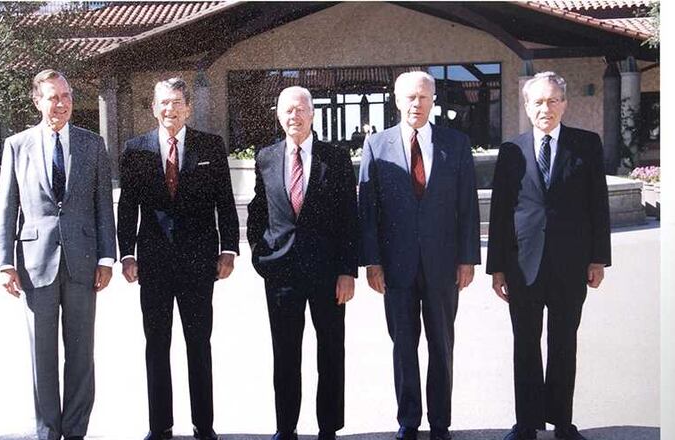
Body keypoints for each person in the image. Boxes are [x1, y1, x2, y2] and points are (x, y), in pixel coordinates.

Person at [486, 71, 611, 440]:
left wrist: (597, 259)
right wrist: (497, 269)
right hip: (522, 267)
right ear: (526, 106)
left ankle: (562, 423)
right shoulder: (512, 151)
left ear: (565, 104)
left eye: (553, 100)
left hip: (571, 266)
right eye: (538, 102)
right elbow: (499, 212)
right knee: (525, 345)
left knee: (563, 345)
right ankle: (525, 423)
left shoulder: (586, 145)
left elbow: (598, 206)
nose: (546, 108)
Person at [357, 71, 480, 440]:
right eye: (409, 97)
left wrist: (468, 258)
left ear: (433, 100)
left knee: (442, 345)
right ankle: (408, 421)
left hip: (443, 266)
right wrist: (372, 262)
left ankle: (440, 421)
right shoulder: (376, 146)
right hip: (396, 268)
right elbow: (368, 210)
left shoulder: (455, 144)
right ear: (396, 100)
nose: (416, 104)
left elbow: (468, 206)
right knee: (404, 346)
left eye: (423, 97)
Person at [0, 69, 116, 440]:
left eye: (66, 96)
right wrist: (4, 262)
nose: (61, 103)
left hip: (82, 263)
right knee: (42, 357)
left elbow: (102, 207)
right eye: (52, 97)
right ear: (38, 101)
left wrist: (106, 257)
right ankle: (47, 431)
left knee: (81, 356)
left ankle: (76, 430)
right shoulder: (17, 146)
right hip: (35, 265)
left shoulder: (92, 144)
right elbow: (6, 206)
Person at [117, 77, 239, 440]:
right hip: (153, 265)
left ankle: (205, 425)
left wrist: (229, 249)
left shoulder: (210, 146)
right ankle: (160, 426)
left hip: (200, 264)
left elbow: (225, 203)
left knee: (199, 344)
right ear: (154, 108)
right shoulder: (135, 150)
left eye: (176, 103)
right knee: (156, 345)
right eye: (163, 104)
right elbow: (127, 208)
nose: (169, 110)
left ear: (188, 107)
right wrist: (126, 254)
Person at [247, 86, 358, 440]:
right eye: (286, 111)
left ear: (312, 113)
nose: (293, 116)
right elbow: (257, 212)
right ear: (278, 115)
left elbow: (348, 218)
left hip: (327, 274)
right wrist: (259, 253)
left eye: (300, 110)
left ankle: (329, 427)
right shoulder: (266, 157)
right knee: (285, 352)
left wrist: (346, 271)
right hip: (281, 272)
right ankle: (286, 426)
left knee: (330, 350)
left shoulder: (335, 159)